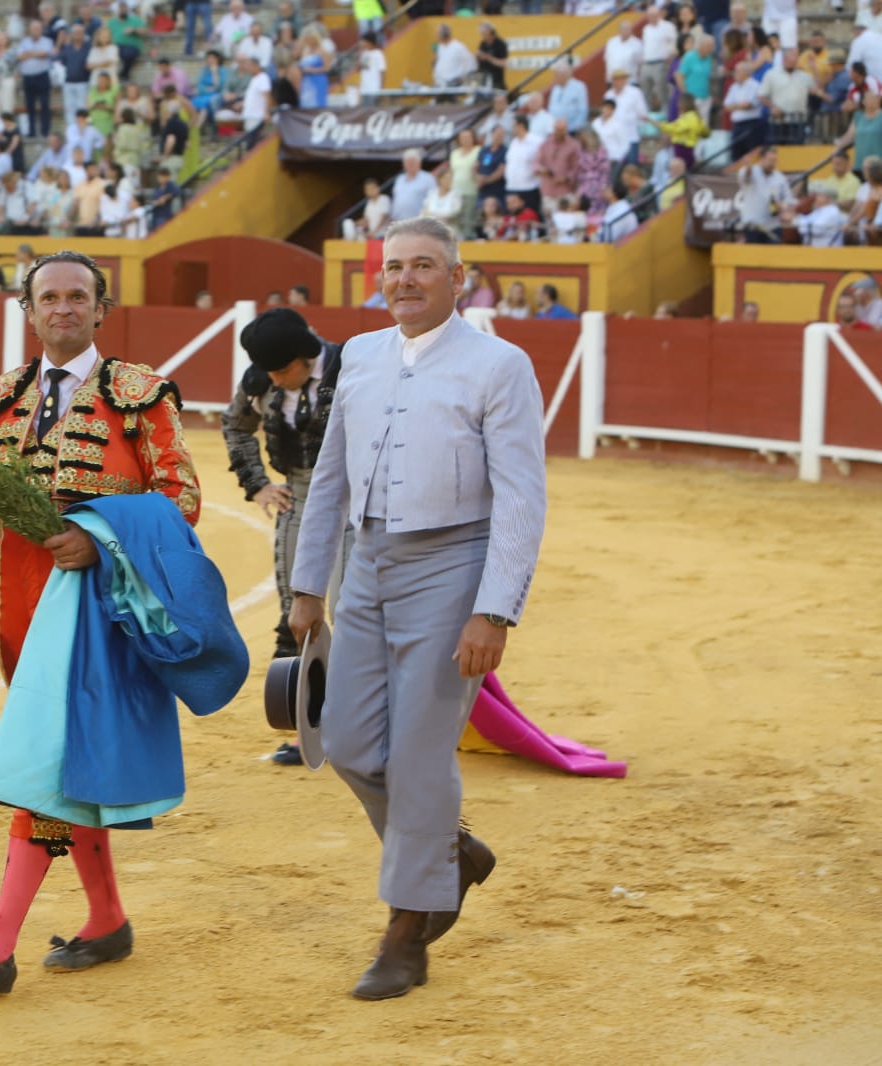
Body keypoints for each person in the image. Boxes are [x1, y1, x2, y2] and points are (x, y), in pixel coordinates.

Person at [0, 251, 199, 996]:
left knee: (46, 768)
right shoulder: (0, 399)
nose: (61, 307)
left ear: (99, 310)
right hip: (23, 610)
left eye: (76, 296)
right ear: (29, 311)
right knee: (68, 766)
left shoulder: (139, 395)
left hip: (102, 613)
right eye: (47, 297)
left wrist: (100, 536)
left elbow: (180, 498)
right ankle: (107, 918)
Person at [288, 217, 547, 1001]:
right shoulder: (360, 355)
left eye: (423, 266)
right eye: (394, 266)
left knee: (422, 755)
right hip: (367, 565)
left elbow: (521, 498)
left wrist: (493, 610)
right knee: (351, 743)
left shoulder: (500, 364)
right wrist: (307, 586)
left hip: (453, 567)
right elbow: (329, 475)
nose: (404, 279)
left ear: (457, 278)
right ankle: (449, 856)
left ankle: (406, 933)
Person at [221, 308, 354, 766]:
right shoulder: (263, 378)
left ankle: (366, 725)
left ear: (306, 356)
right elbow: (235, 426)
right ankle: (308, 728)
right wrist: (257, 483)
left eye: (282, 371)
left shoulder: (351, 367)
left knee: (354, 609)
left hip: (357, 497)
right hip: (298, 494)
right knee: (298, 611)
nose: (274, 381)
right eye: (269, 372)